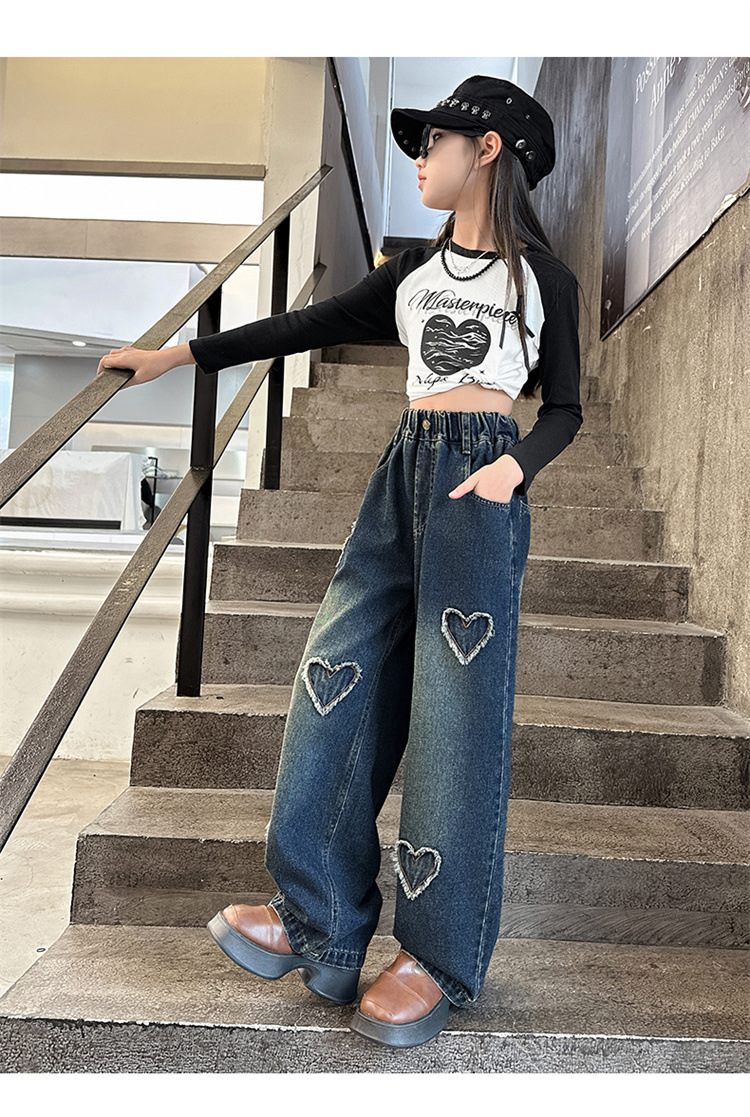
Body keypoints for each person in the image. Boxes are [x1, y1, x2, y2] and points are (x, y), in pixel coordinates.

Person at [97, 75, 583, 1049]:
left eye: (434, 141)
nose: (421, 158)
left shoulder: (545, 281)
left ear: (488, 149)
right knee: (337, 670)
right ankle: (318, 919)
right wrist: (183, 356)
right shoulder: (414, 271)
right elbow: (304, 325)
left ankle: (435, 953)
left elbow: (567, 407)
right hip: (402, 472)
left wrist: (512, 470)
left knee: (454, 714)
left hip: (481, 487)